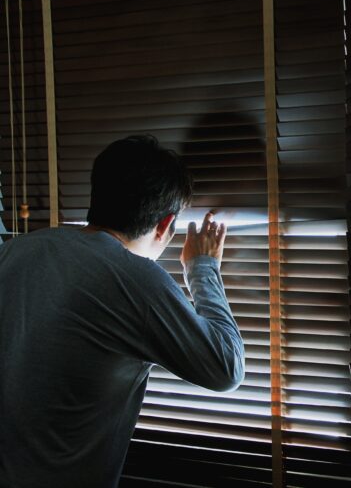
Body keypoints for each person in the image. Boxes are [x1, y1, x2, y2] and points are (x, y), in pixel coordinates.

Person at [0, 135, 245, 488]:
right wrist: (203, 267)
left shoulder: (15, 252)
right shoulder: (136, 279)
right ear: (165, 225)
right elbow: (226, 369)